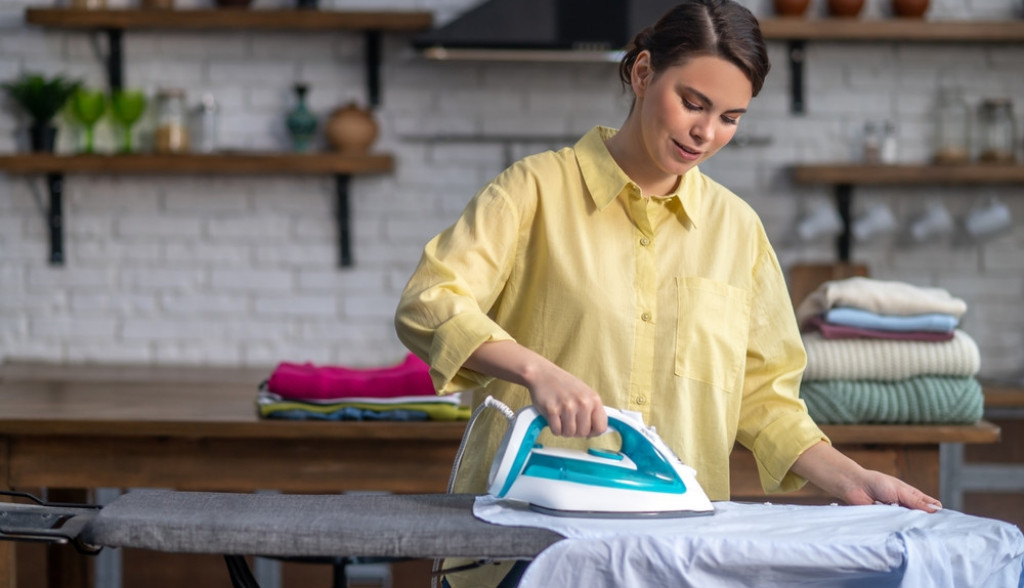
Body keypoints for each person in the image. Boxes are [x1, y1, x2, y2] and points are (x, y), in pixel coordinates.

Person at [395, 0, 942, 585]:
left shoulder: (739, 233)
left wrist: (854, 478)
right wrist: (537, 371)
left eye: (731, 117)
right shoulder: (533, 191)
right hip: (525, 553)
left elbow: (765, 401)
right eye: (693, 103)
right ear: (642, 72)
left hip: (678, 557)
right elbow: (431, 300)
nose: (706, 133)